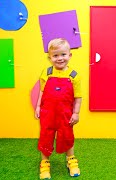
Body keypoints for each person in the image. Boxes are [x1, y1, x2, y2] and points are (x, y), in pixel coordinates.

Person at [35, 38, 82, 179]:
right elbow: (42, 92)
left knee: (67, 136)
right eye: (55, 55)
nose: (60, 58)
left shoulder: (74, 76)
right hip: (47, 113)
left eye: (63, 54)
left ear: (70, 55)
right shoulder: (47, 73)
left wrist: (76, 113)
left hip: (65, 115)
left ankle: (71, 160)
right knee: (45, 136)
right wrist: (38, 106)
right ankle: (44, 163)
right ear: (50, 57)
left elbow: (78, 97)